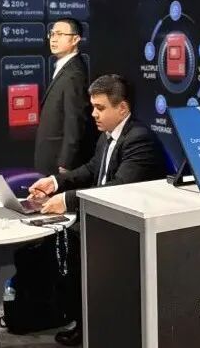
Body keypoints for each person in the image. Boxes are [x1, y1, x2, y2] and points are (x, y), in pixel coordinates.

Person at [28, 74, 164, 346]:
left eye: (100, 108)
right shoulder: (107, 136)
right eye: (93, 107)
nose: (93, 114)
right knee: (47, 245)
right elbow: (91, 169)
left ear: (122, 108)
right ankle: (71, 315)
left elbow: (119, 189)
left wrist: (67, 200)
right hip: (100, 217)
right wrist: (55, 182)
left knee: (68, 245)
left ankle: (86, 322)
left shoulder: (139, 139)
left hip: (126, 228)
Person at [34, 18, 94, 177]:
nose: (53, 39)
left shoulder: (74, 74)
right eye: (52, 34)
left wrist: (67, 162)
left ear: (75, 39)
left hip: (59, 164)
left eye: (60, 34)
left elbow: (75, 121)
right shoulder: (64, 67)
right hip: (50, 158)